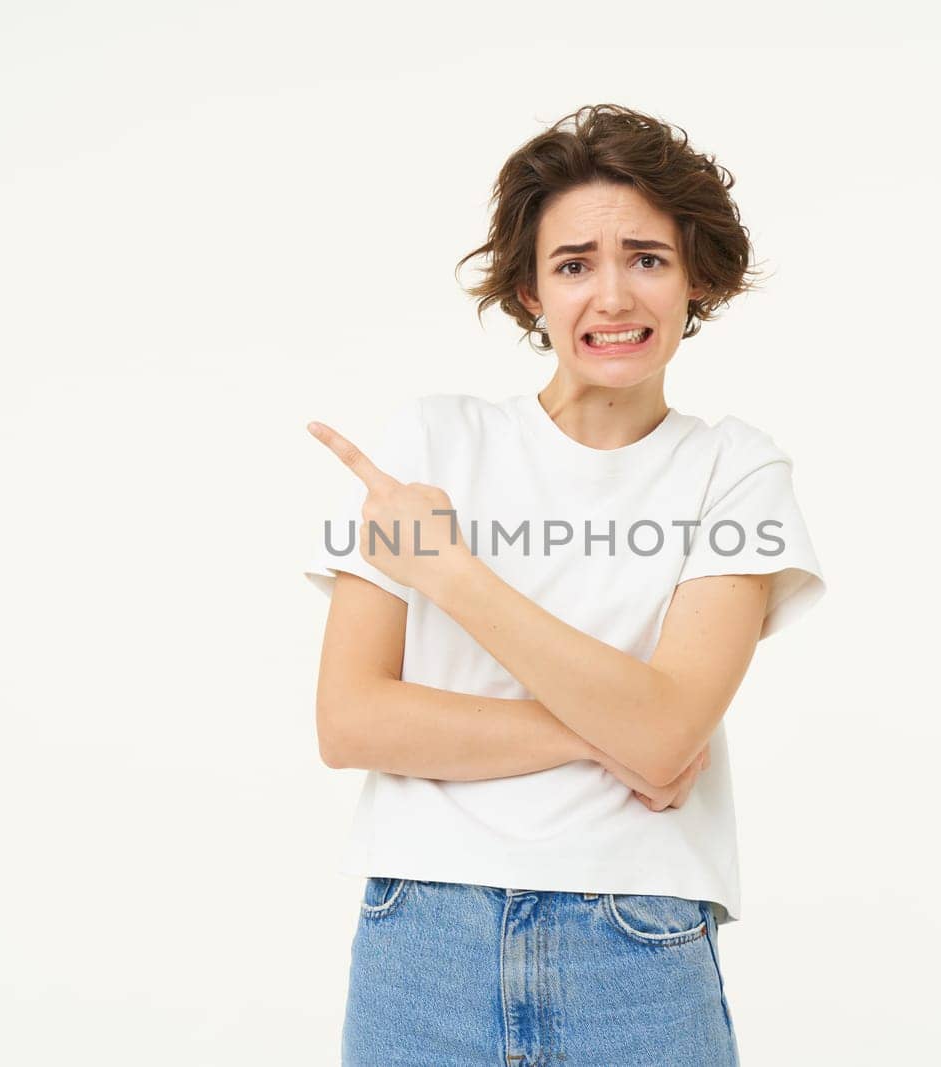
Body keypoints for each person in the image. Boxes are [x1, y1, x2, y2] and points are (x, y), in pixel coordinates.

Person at [304, 103, 826, 1065]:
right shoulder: (430, 443)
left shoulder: (736, 472)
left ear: (696, 278)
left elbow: (671, 732)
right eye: (575, 263)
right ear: (531, 292)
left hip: (638, 945)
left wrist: (449, 572)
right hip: (424, 934)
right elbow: (352, 721)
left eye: (648, 258)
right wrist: (611, 735)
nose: (613, 297)